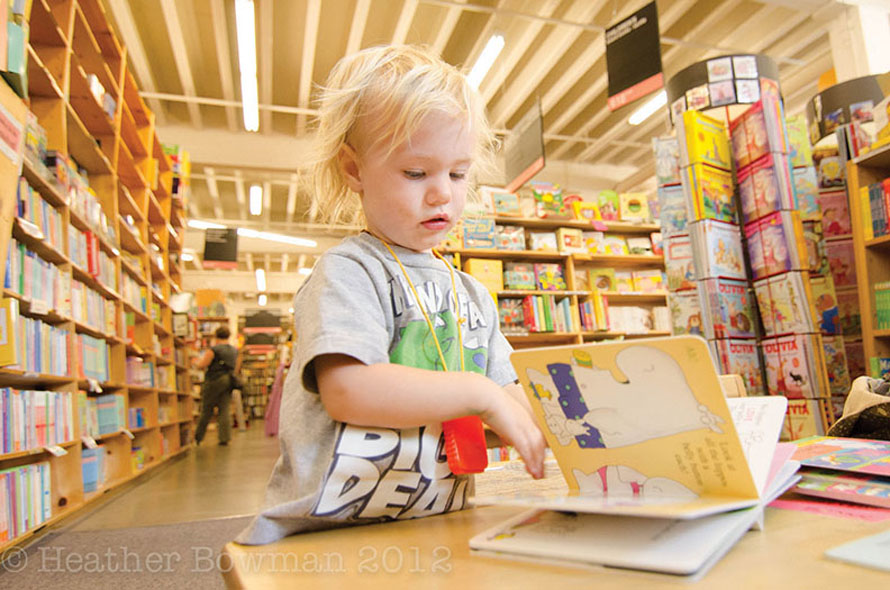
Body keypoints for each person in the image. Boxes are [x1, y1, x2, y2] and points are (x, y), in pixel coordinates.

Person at [237, 44, 545, 545]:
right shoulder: (349, 271)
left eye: (458, 173)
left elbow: (510, 391)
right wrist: (479, 394)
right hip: (324, 533)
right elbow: (348, 390)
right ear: (354, 171)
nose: (443, 192)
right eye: (417, 173)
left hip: (433, 523)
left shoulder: (469, 292)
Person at [194, 326, 240, 446]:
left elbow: (202, 365)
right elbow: (236, 368)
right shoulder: (234, 351)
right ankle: (224, 438)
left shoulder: (214, 350)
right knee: (224, 409)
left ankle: (198, 437)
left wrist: (195, 363)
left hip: (214, 379)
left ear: (216, 336)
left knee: (207, 408)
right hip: (228, 380)